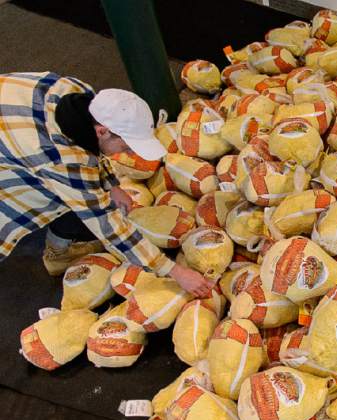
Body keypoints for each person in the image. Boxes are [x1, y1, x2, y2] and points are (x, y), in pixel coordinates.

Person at [0, 71, 213, 296]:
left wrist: (112, 185)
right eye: (125, 147)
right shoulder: (63, 160)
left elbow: (90, 151)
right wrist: (175, 271)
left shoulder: (79, 92)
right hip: (16, 137)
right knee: (54, 198)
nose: (129, 153)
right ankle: (58, 254)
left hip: (12, 116)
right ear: (102, 131)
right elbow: (108, 226)